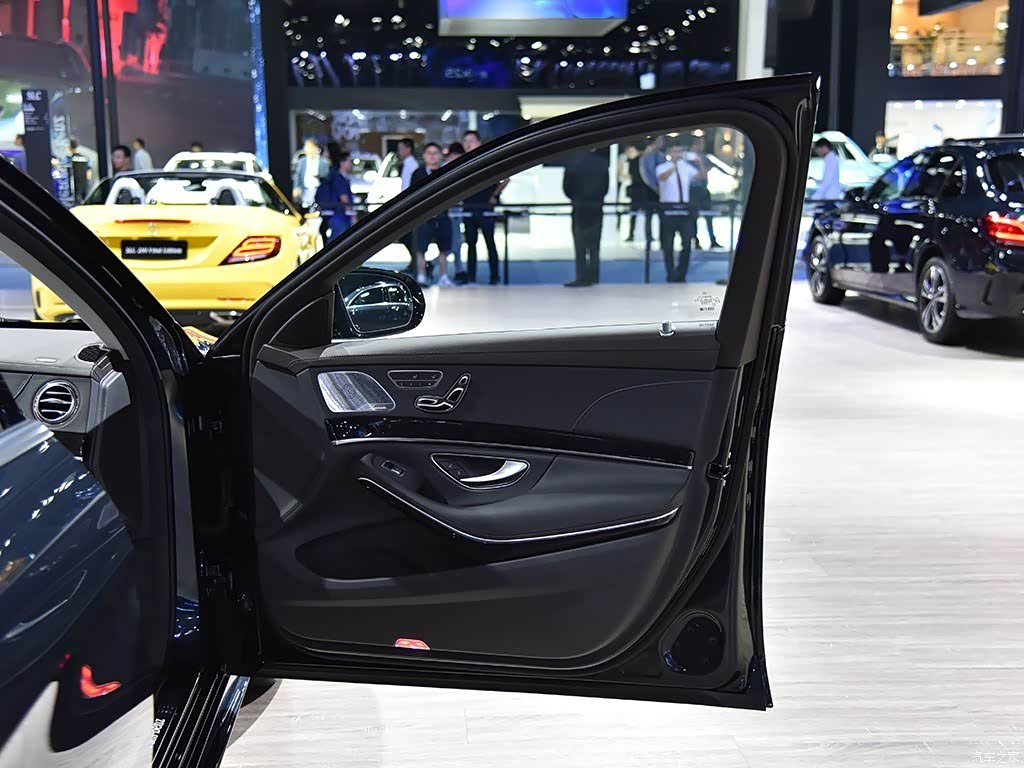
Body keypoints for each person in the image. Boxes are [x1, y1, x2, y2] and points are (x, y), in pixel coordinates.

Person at [461, 130, 508, 284]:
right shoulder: (462, 162)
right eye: (466, 141)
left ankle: (494, 276)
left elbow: (506, 178)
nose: (468, 144)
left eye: (472, 141)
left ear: (479, 142)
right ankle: (471, 276)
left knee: (490, 242)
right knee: (471, 244)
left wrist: (494, 195)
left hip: (485, 205)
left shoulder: (488, 159)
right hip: (469, 206)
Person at [562, 149, 609, 287]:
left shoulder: (572, 162)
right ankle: (594, 276)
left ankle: (581, 277)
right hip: (596, 207)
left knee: (580, 245)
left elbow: (566, 187)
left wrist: (577, 198)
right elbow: (605, 188)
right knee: (595, 245)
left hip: (579, 208)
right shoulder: (602, 163)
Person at [656, 143, 702, 283]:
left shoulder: (686, 167)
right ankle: (670, 273)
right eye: (674, 151)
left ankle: (681, 273)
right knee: (668, 245)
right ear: (669, 153)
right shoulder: (662, 167)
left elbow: (700, 176)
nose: (677, 154)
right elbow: (662, 178)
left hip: (684, 210)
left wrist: (699, 163)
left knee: (687, 243)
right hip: (668, 209)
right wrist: (673, 167)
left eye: (679, 151)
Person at [411, 143, 452, 286]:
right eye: (429, 153)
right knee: (420, 248)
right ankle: (421, 275)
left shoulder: (446, 171)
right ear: (424, 156)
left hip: (443, 216)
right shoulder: (418, 174)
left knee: (444, 248)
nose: (432, 156)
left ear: (440, 155)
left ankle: (443, 276)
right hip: (424, 217)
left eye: (435, 153)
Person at [685, 135, 721, 249]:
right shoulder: (687, 158)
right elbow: (695, 175)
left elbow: (710, 167)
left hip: (703, 188)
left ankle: (712, 240)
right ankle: (695, 241)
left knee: (708, 215)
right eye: (699, 144)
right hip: (692, 189)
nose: (701, 146)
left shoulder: (703, 157)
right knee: (693, 216)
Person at [316, 149, 354, 242]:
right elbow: (344, 198)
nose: (351, 164)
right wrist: (352, 214)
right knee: (339, 240)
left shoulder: (338, 177)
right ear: (342, 163)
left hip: (337, 216)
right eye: (349, 161)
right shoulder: (339, 179)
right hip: (339, 216)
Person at [445, 142, 468, 283]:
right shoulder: (446, 169)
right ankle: (458, 269)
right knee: (453, 243)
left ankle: (459, 269)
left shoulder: (457, 168)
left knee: (456, 242)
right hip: (448, 211)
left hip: (456, 210)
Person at [396, 138, 420, 271]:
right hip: (405, 204)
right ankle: (415, 261)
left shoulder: (412, 165)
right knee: (406, 235)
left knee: (408, 235)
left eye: (401, 148)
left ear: (408, 149)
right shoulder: (406, 165)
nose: (399, 152)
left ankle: (417, 262)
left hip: (410, 205)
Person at [638, 135, 666, 245]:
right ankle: (648, 240)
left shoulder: (661, 156)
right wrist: (655, 187)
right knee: (649, 215)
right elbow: (647, 175)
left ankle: (663, 239)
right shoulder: (646, 156)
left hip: (661, 190)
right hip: (649, 190)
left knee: (662, 215)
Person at [291, 138, 329, 210]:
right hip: (305, 191)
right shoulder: (302, 161)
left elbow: (327, 176)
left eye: (308, 147)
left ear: (315, 148)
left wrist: (321, 177)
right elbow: (297, 175)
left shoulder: (324, 162)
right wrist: (296, 187)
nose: (305, 149)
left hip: (318, 191)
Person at [811, 137, 842, 202]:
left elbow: (827, 182)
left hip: (830, 197)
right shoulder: (831, 159)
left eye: (817, 149)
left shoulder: (831, 160)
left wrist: (815, 197)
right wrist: (816, 180)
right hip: (830, 196)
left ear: (824, 148)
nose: (817, 152)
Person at [68, 137, 92, 203]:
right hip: (84, 185)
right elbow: (89, 174)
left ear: (69, 147)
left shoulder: (68, 159)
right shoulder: (85, 158)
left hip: (74, 186)